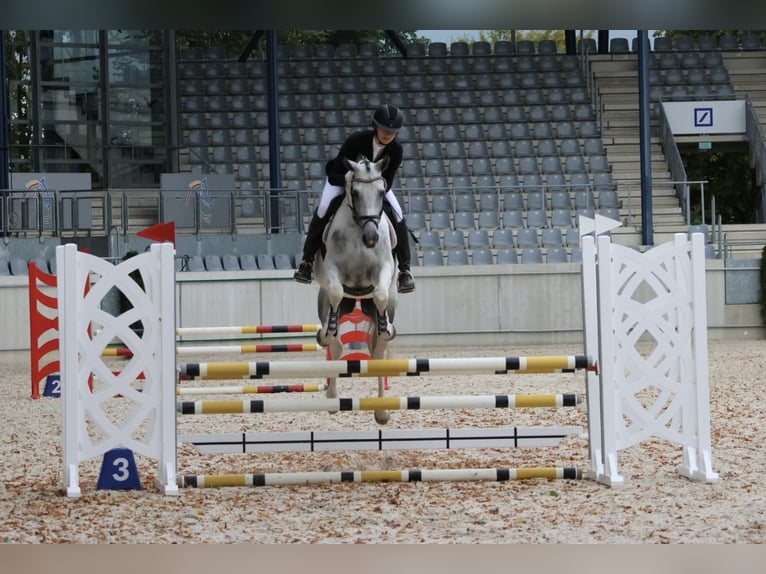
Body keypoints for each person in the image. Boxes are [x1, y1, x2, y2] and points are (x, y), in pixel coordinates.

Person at [293, 103, 415, 293]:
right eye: (384, 129)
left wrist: (371, 185)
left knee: (398, 214)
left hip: (374, 187)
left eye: (392, 131)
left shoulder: (396, 150)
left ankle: (405, 271)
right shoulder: (357, 140)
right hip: (342, 181)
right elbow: (335, 173)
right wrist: (355, 181)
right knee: (324, 208)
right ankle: (306, 262)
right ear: (375, 126)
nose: (388, 134)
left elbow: (388, 182)